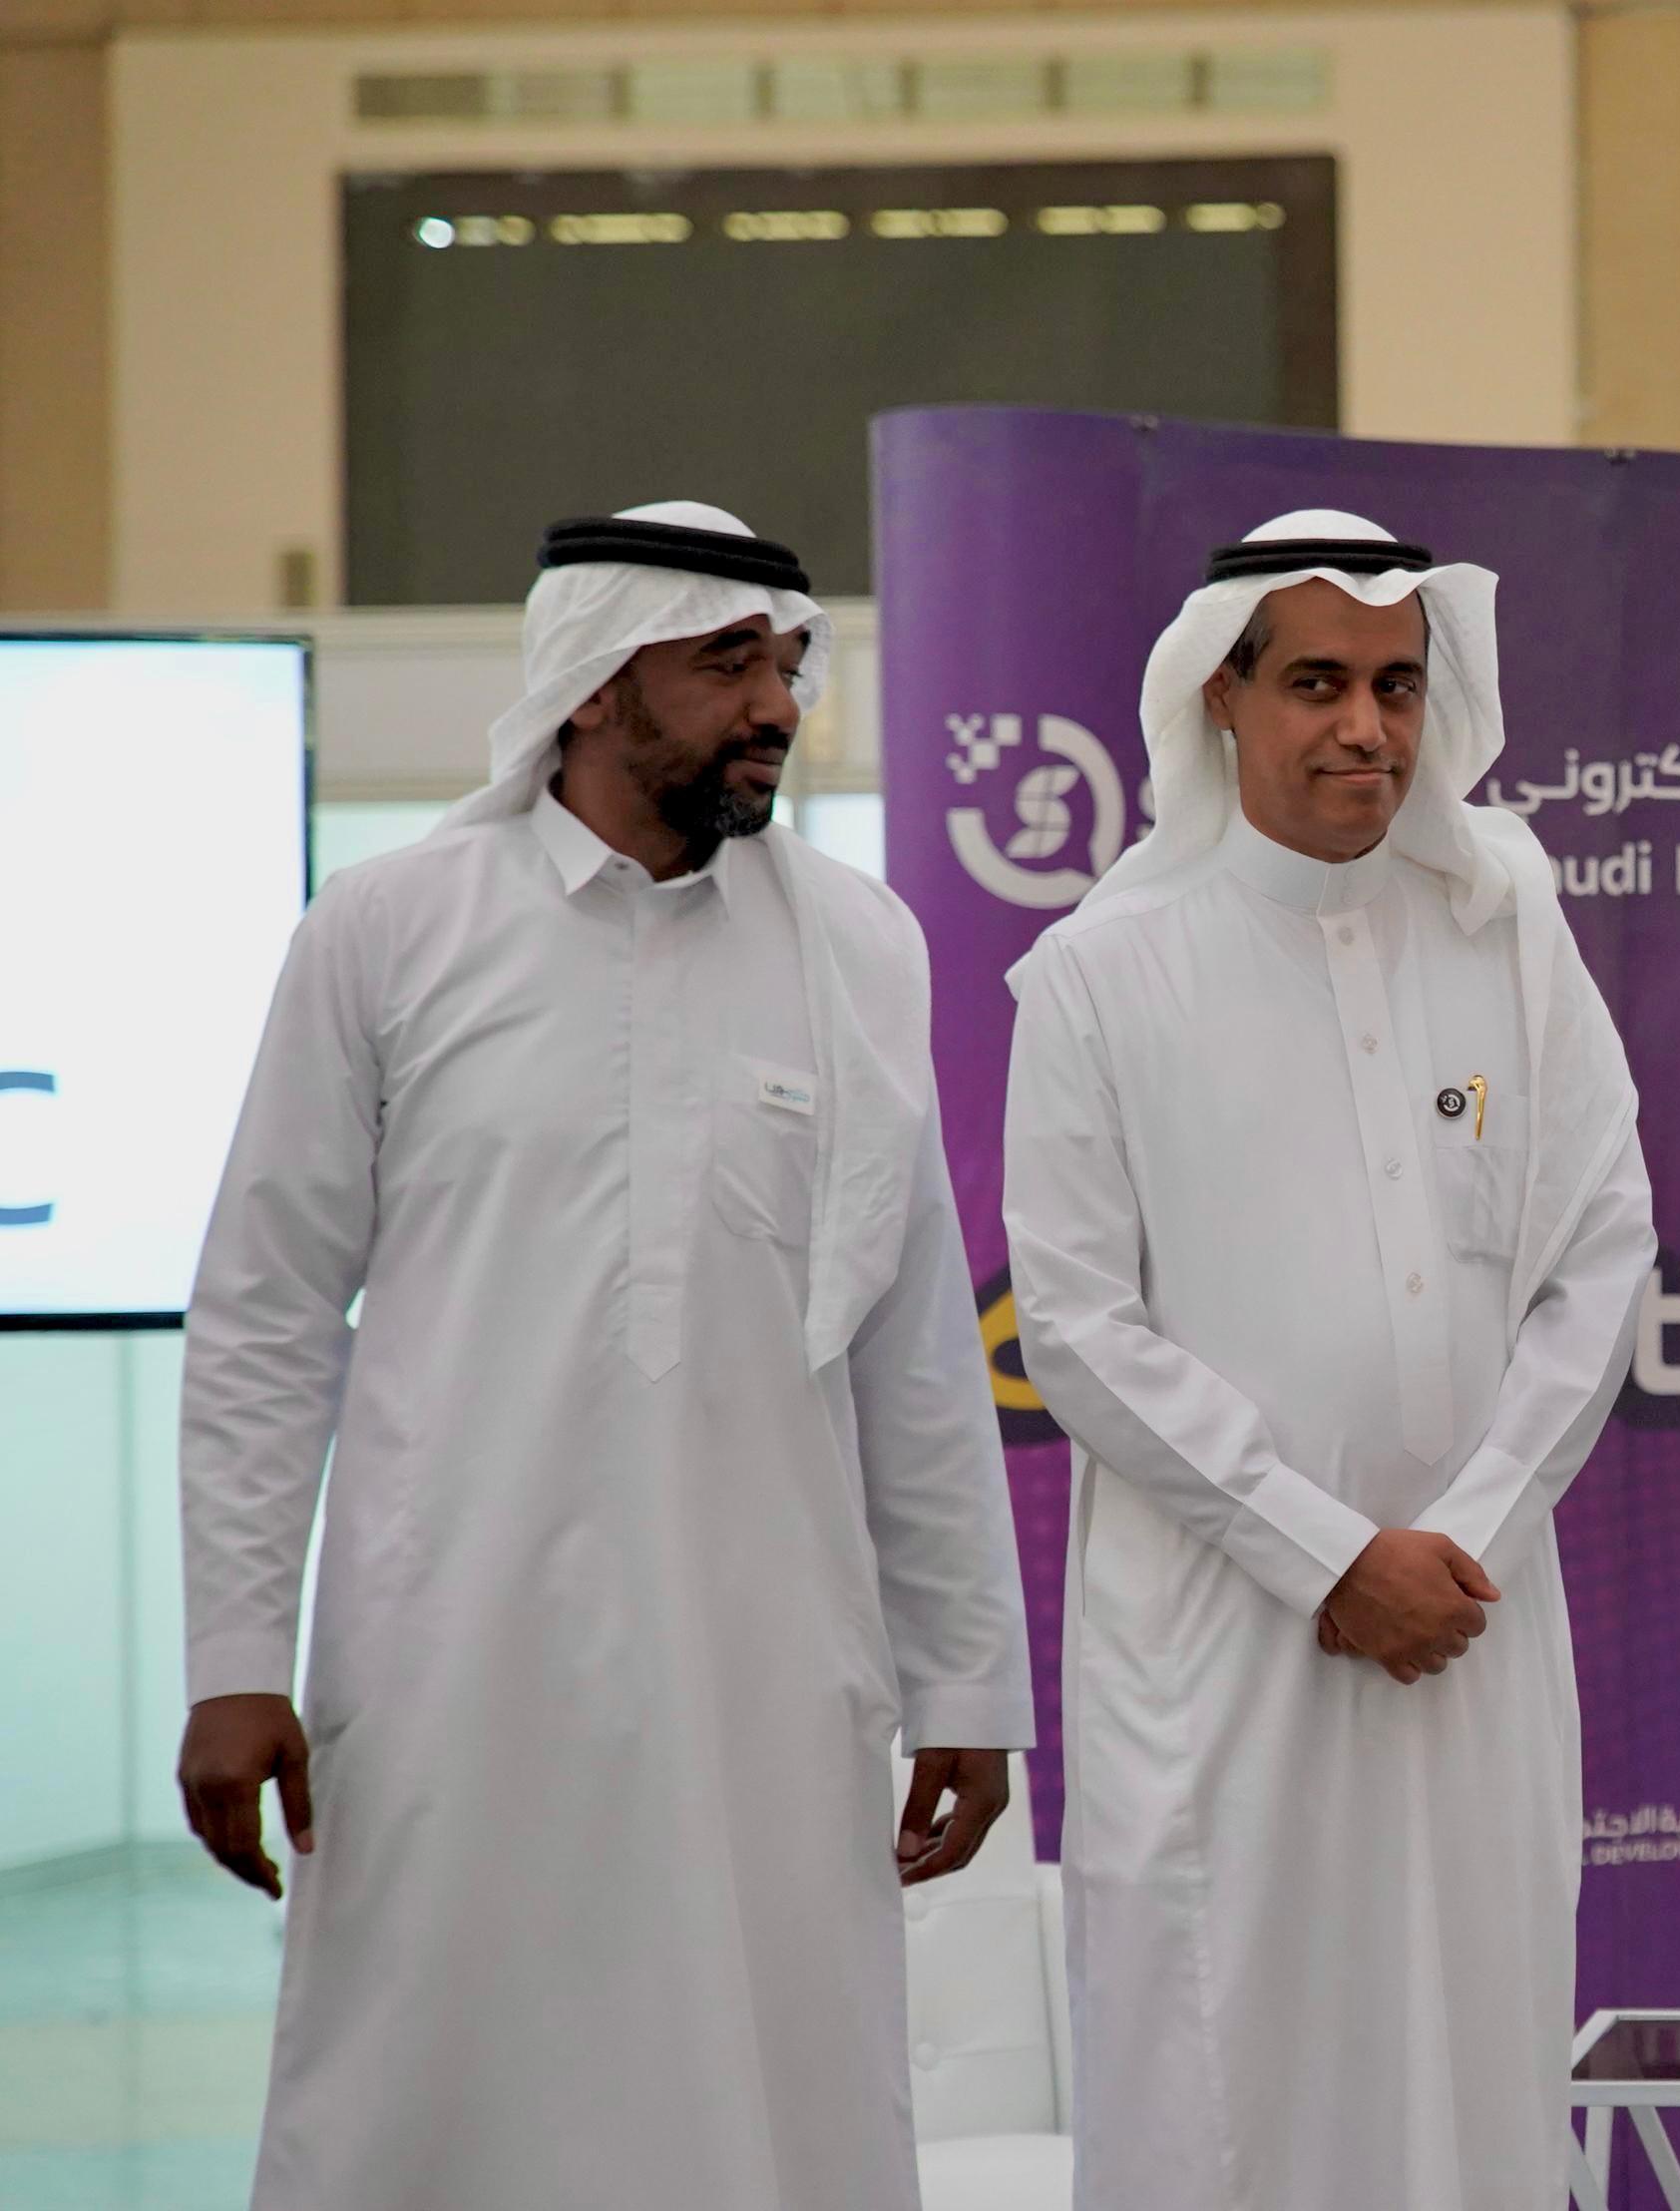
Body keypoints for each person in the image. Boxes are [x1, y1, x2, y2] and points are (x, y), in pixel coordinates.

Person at [177, 503, 1033, 2211]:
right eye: (728, 664)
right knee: (437, 2092)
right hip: (453, 1657)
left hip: (763, 1660)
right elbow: (268, 1309)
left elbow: (916, 1343)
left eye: (787, 664)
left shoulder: (860, 950)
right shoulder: (391, 929)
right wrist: (233, 1654)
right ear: (590, 681)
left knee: (765, 2089)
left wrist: (969, 1682)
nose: (776, 704)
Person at [1003, 511, 1651, 2211]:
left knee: (1477, 2059)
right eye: (1315, 683)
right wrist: (1331, 1555)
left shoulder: (1508, 926)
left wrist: (1468, 1537)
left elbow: (1602, 1254)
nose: (1365, 726)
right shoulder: (1101, 971)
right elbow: (1076, 1321)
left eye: (1396, 685)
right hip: (1226, 1634)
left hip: (1476, 1624)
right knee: (1229, 2079)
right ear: (1220, 696)